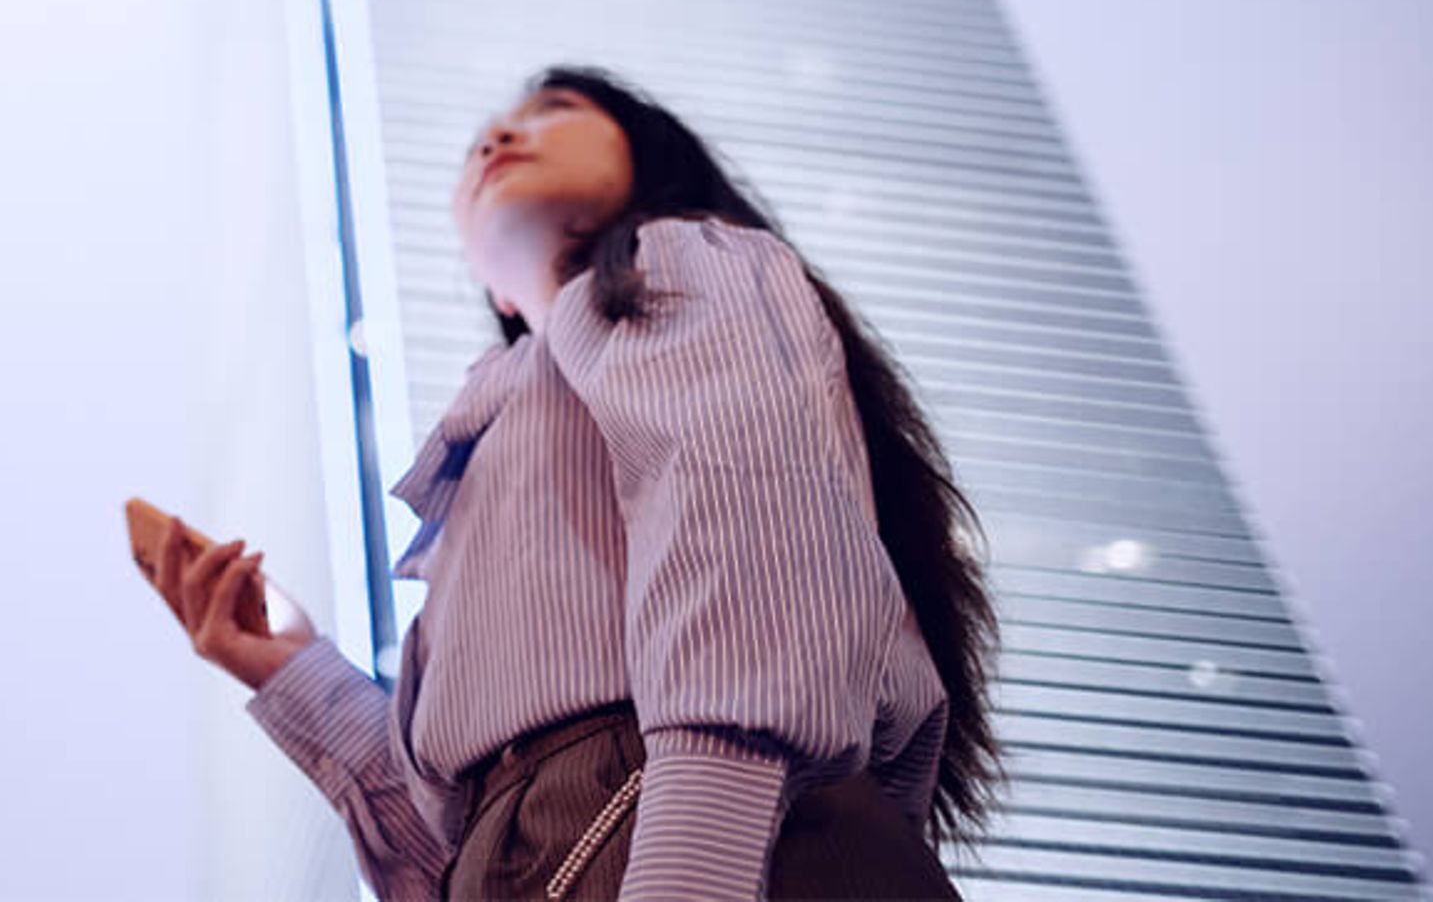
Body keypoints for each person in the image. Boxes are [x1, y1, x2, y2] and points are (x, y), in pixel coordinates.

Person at [146, 64, 1009, 900]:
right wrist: (287, 666)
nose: (500, 134)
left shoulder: (676, 261)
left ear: (651, 161)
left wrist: (692, 868)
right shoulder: (493, 437)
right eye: (480, 141)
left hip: (694, 825)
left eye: (554, 107)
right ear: (499, 295)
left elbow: (751, 540)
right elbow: (453, 850)